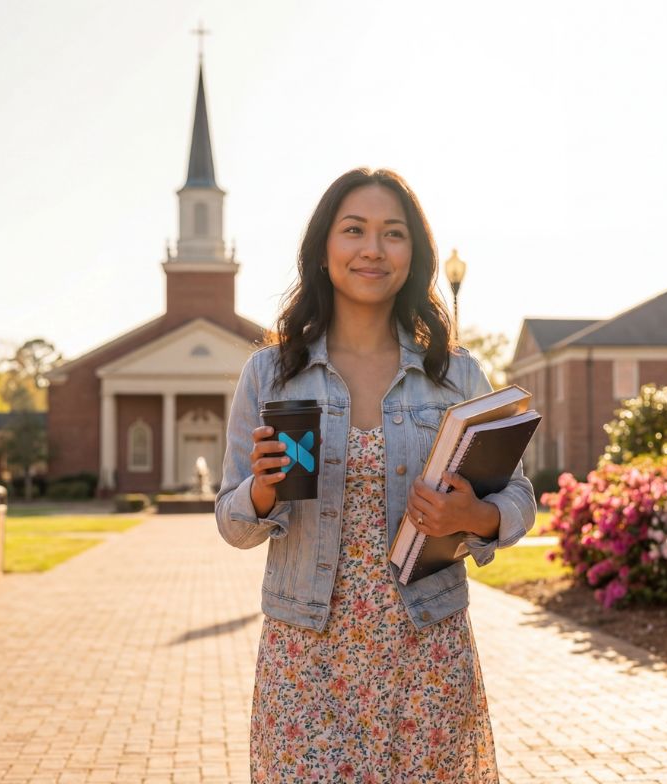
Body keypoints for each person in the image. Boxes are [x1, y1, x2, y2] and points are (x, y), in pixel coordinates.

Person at [215, 168, 535, 782]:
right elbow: (233, 524)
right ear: (323, 249)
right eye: (354, 230)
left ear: (413, 255)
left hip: (424, 649)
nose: (372, 248)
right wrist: (259, 491)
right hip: (307, 654)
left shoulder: (454, 374)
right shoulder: (270, 374)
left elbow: (519, 494)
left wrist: (477, 517)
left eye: (393, 234)